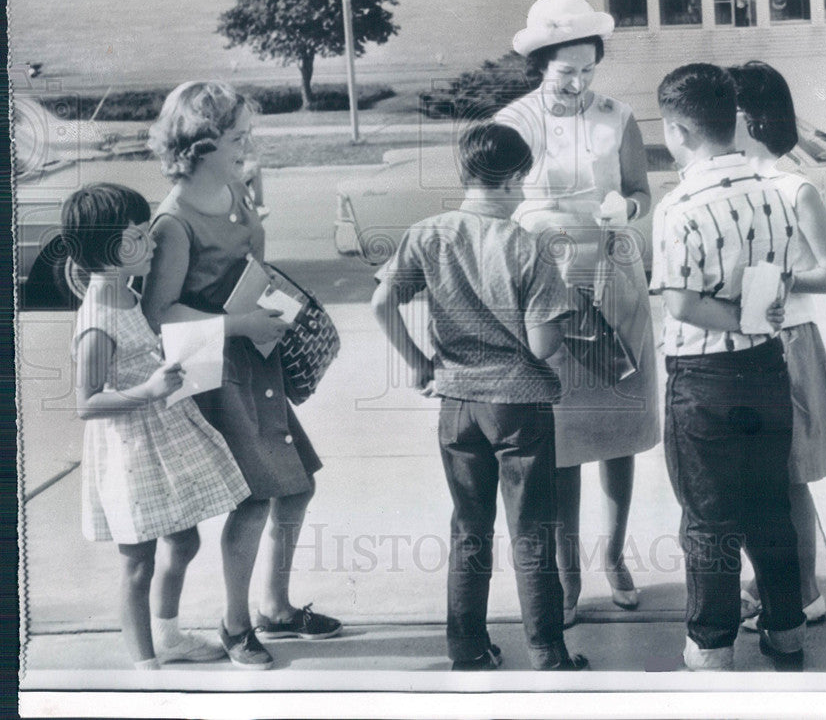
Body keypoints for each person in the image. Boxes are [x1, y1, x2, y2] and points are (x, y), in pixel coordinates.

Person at [372, 123, 589, 671]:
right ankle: (546, 648)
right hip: (518, 408)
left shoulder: (428, 232)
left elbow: (381, 303)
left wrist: (419, 362)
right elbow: (542, 344)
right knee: (532, 528)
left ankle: (466, 645)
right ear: (517, 179)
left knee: (469, 525)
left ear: (465, 174)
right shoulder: (524, 245)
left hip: (456, 404)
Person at [143, 82, 341, 670]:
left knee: (298, 485)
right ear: (199, 145)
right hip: (219, 368)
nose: (248, 145)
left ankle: (275, 608)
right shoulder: (173, 223)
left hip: (257, 357)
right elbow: (160, 314)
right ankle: (236, 624)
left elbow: (252, 258)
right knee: (257, 497)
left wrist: (254, 219)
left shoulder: (233, 188)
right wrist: (244, 324)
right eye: (237, 137)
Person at [495, 0, 659, 625]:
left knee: (618, 426)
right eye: (566, 71)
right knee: (558, 435)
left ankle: (615, 556)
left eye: (588, 70)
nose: (579, 82)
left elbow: (642, 188)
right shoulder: (514, 120)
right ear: (541, 63)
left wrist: (631, 210)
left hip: (614, 276)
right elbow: (493, 199)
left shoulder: (618, 117)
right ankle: (567, 579)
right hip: (547, 279)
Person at [651, 63, 806, 671]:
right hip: (767, 367)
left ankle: (711, 646)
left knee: (709, 518)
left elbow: (682, 302)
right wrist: (757, 317)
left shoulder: (679, 204)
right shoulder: (774, 187)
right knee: (770, 505)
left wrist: (740, 318)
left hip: (705, 378)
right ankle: (786, 630)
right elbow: (780, 281)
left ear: (679, 131)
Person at [63, 183, 250, 670]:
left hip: (160, 438)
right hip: (128, 451)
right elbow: (86, 403)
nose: (152, 245)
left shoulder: (124, 295)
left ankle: (169, 636)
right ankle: (146, 665)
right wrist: (147, 390)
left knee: (184, 539)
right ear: (114, 247)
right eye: (141, 238)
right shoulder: (98, 319)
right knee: (137, 561)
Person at [727, 62, 826, 629]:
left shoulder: (793, 185)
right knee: (756, 479)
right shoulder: (727, 183)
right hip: (738, 343)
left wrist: (777, 276)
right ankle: (772, 582)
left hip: (788, 342)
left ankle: (804, 593)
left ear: (746, 119)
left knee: (787, 476)